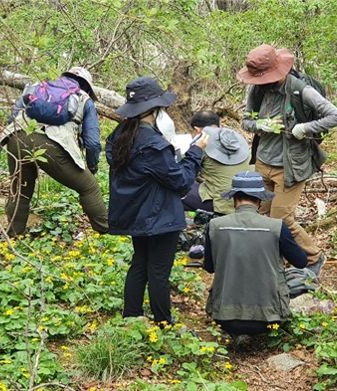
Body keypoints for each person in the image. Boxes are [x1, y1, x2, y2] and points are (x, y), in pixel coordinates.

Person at [106, 76, 209, 324]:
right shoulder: (151, 143)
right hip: (158, 215)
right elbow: (181, 181)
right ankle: (164, 324)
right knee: (159, 271)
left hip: (136, 211)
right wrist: (196, 151)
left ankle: (131, 316)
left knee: (140, 263)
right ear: (154, 110)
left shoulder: (121, 135)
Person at [237, 44, 337, 275]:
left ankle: (314, 256)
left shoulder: (300, 90)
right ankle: (275, 259)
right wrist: (259, 124)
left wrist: (304, 128)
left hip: (291, 166)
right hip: (263, 162)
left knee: (281, 218)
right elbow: (245, 120)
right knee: (262, 215)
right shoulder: (257, 91)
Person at [0, 67, 108, 237]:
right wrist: (92, 168)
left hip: (17, 136)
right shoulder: (84, 99)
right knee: (89, 188)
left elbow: (12, 117)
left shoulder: (37, 87)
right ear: (87, 86)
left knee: (20, 191)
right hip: (51, 142)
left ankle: (13, 237)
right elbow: (93, 143)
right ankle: (107, 233)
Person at [204, 171, 307, 338]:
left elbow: (209, 267)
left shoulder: (215, 226)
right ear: (259, 200)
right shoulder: (276, 227)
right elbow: (301, 262)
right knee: (304, 276)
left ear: (234, 198)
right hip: (269, 319)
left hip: (224, 317)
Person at [182, 111, 253, 215]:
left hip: (224, 204)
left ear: (197, 130)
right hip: (250, 200)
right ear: (219, 125)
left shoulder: (202, 142)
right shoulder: (236, 139)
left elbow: (185, 174)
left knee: (175, 189)